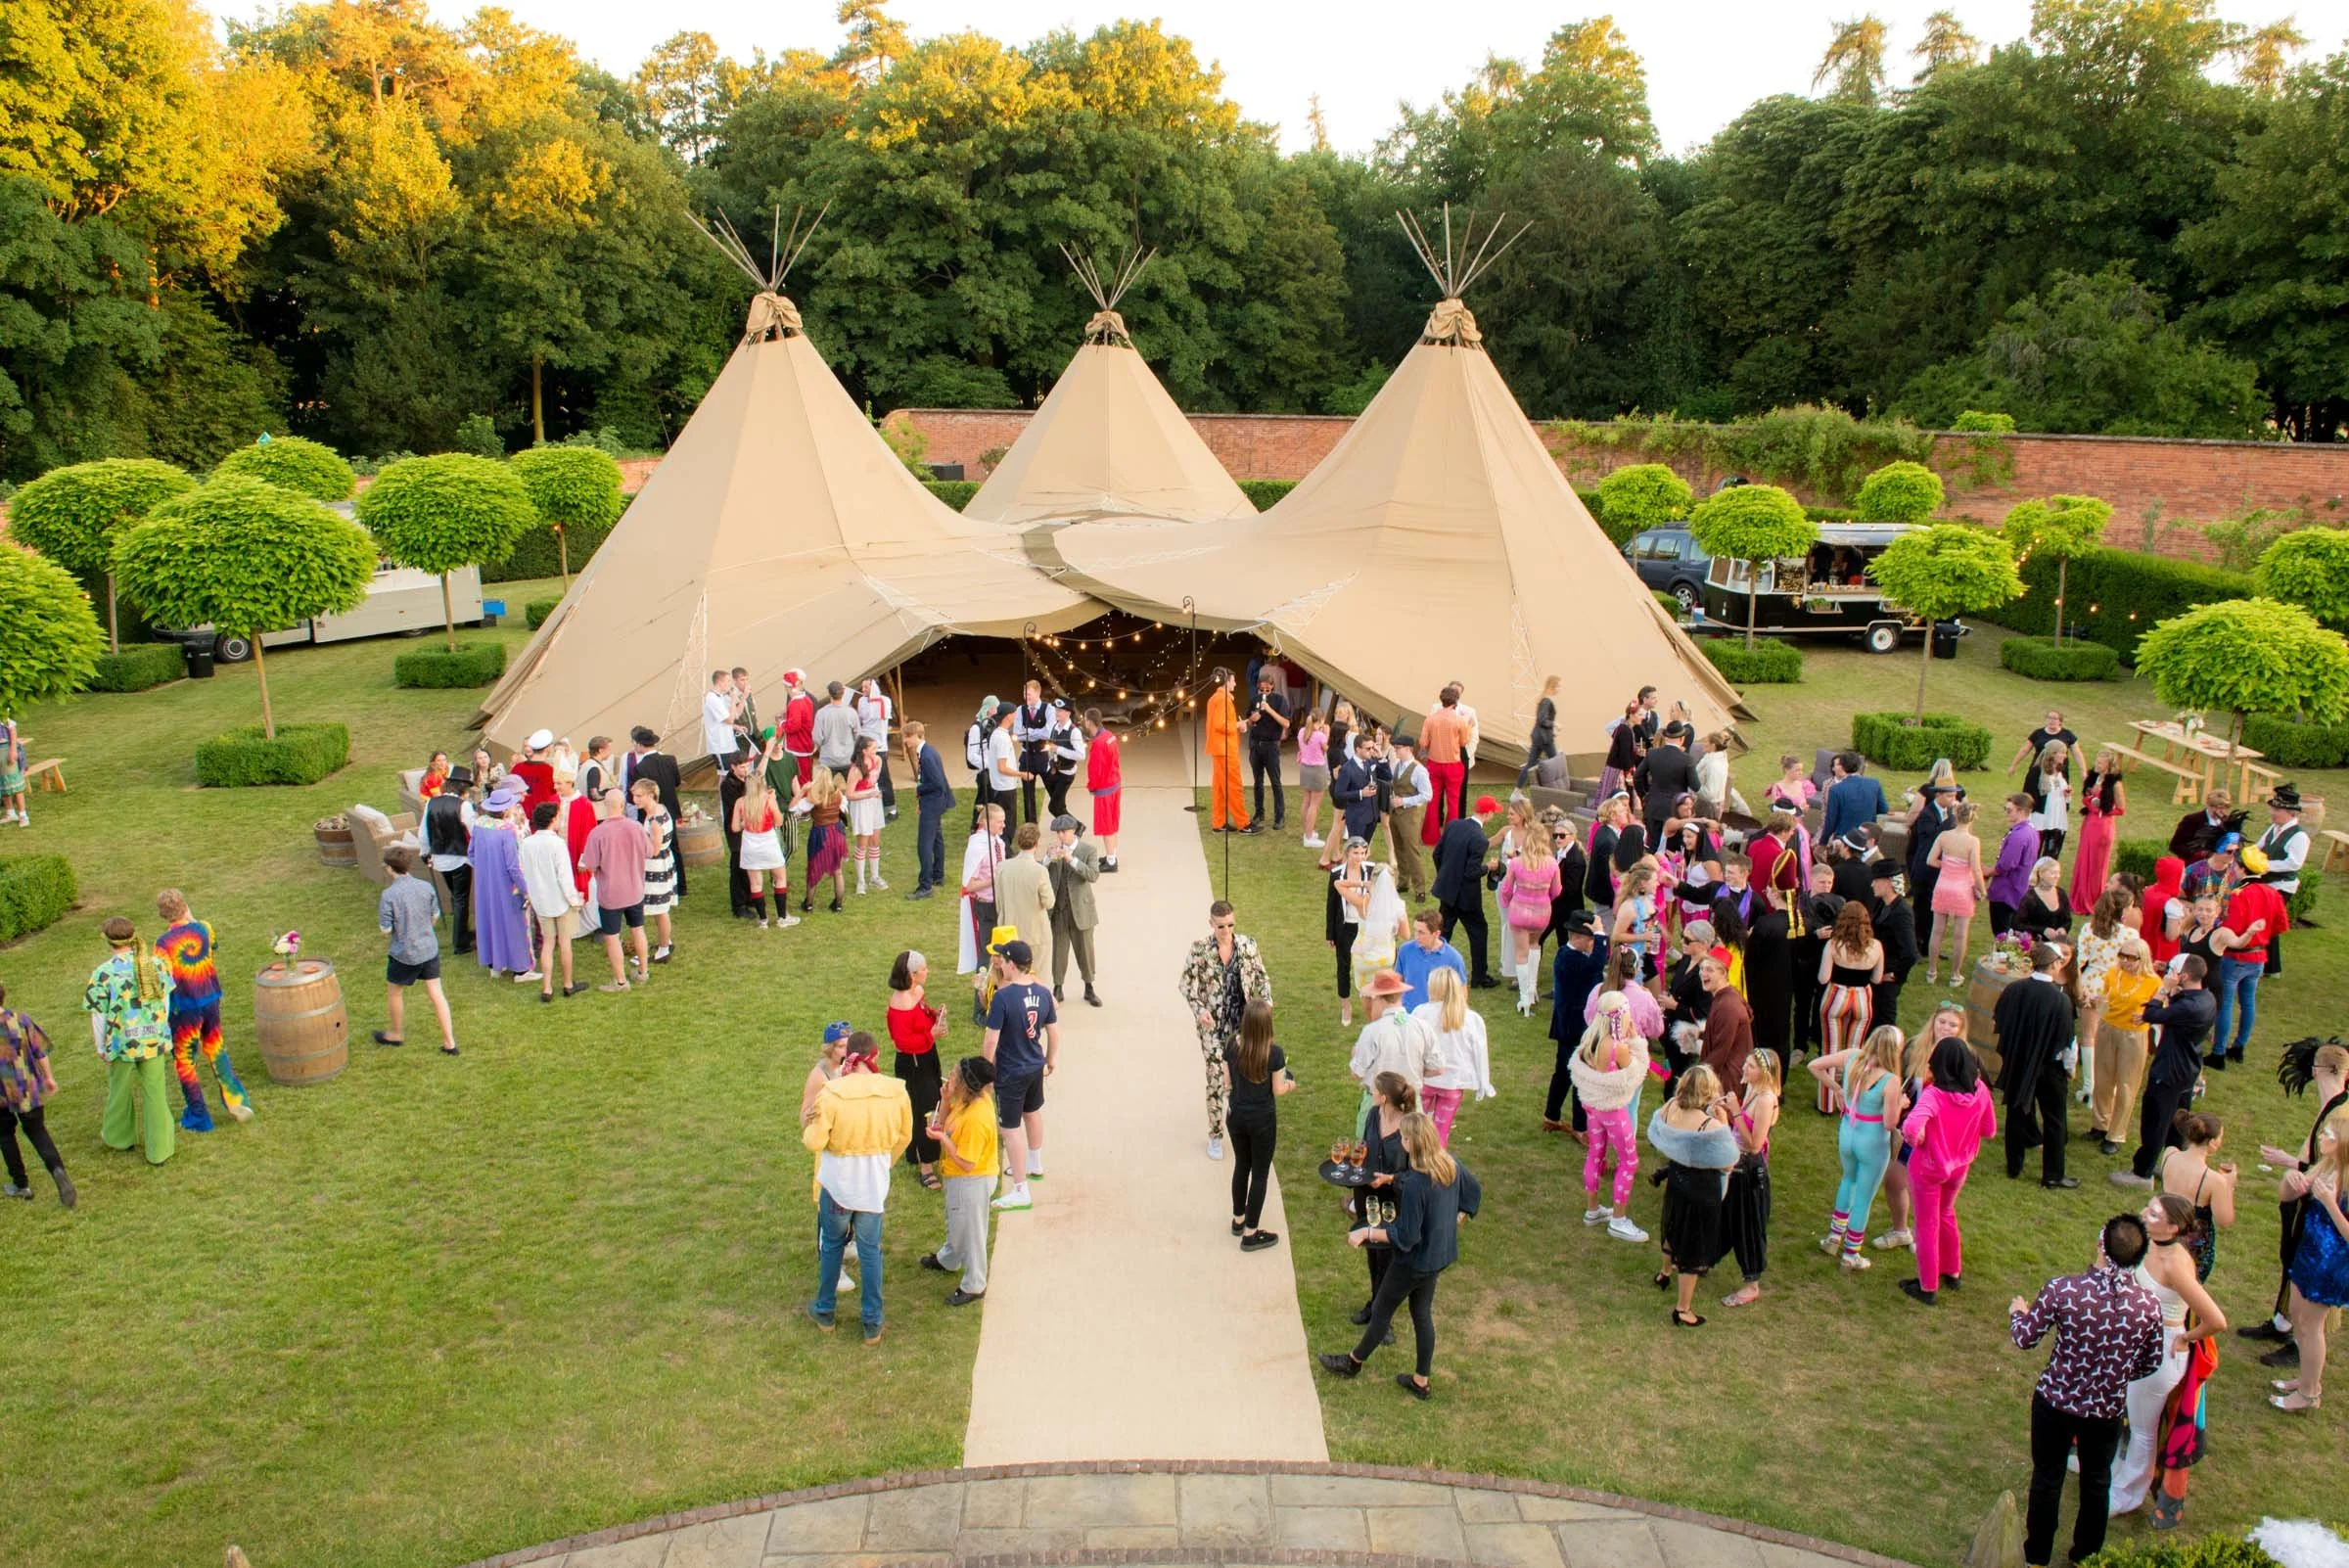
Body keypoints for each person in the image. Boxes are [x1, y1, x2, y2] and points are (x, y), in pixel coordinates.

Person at [2009, 1215, 2166, 1568]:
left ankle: (2036, 1557)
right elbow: (2150, 1361)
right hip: (2106, 1411)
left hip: (2055, 1403)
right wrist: (2115, 1376)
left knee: (2048, 1478)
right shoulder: (2148, 1306)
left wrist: (2018, 1313)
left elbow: (2024, 1338)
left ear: (2100, 1245)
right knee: (2097, 1482)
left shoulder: (2063, 1289)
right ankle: (2086, 1558)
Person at [1318, 1109, 1481, 1400]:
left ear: (1410, 1142)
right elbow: (1473, 1190)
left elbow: (1406, 1237)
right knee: (1421, 1314)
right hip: (1437, 1257)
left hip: (1413, 1261)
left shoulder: (1419, 1184)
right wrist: (1459, 1214)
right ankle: (1421, 1381)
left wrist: (1365, 1233)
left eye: (1403, 1137)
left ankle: (1352, 1363)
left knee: (1381, 1310)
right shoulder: (1448, 1163)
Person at [2109, 1196, 2228, 1515]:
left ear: (2174, 1227)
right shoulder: (2148, 1242)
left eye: (2154, 1212)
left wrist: (2185, 1338)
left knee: (2143, 1427)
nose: (2145, 1213)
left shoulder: (2175, 1263)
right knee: (2129, 1415)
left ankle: (2127, 1493)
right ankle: (2118, 1473)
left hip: (2160, 1351)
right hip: (2136, 1342)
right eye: (2148, 1206)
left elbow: (2216, 1320)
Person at [802, 1030, 914, 1345]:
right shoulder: (895, 1091)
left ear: (846, 1054)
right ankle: (872, 1323)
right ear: (876, 1055)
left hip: (837, 1184)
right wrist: (883, 1163)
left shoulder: (832, 1092)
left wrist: (812, 1123)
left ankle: (825, 1312)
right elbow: (904, 1136)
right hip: (872, 1186)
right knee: (870, 1252)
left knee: (832, 1247)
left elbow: (814, 1141)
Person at [2241, 1042, 2349, 1357]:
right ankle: (2282, 1322)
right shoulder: (2334, 1104)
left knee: (2310, 1275)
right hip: (2310, 1198)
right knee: (2291, 1260)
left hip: (2323, 1210)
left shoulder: (2341, 1113)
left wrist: (2295, 1166)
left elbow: (2337, 1164)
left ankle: (2302, 1342)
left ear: (2319, 1070)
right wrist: (2294, 1165)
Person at [1898, 1033, 1997, 1304]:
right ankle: (1952, 1272)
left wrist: (1919, 1140)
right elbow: (1989, 1130)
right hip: (1959, 1167)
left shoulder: (1934, 1095)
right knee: (1946, 1214)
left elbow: (1910, 1127)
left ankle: (1927, 1286)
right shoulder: (1980, 1091)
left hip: (1929, 1168)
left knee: (1926, 1224)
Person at [151, 890, 253, 1131]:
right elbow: (213, 945)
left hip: (184, 1008)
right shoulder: (204, 929)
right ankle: (237, 1101)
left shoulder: (162, 944)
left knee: (185, 1060)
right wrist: (191, 917)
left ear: (162, 914)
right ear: (185, 906)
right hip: (210, 1000)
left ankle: (199, 1116)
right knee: (216, 1049)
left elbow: (161, 980)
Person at [2272, 1105, 2349, 1412]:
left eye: (2329, 1134)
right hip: (2309, 1254)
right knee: (2297, 1316)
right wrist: (2291, 1181)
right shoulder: (2325, 1166)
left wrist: (2330, 1203)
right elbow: (2287, 1197)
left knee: (2311, 1325)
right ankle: (2308, 1380)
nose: (2323, 1137)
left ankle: (2308, 1395)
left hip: (2330, 1265)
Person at [1180, 900, 1271, 1162]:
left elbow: (1262, 978)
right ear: (1211, 924)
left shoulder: (1248, 946)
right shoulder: (1199, 950)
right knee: (1217, 1078)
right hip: (1213, 1028)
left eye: (1231, 925)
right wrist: (1200, 1011)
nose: (1226, 930)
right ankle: (1216, 1135)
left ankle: (1244, 1129)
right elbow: (1185, 985)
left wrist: (1266, 1003)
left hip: (1244, 1025)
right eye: (1221, 926)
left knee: (1245, 1077)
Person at [1649, 1064, 1739, 1328]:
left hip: (1677, 1179)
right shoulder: (1709, 1125)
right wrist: (1721, 1119)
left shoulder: (1669, 1108)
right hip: (1702, 1191)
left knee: (1673, 1228)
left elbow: (1656, 1134)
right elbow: (1728, 1162)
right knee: (1693, 1247)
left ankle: (1664, 1273)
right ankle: (1683, 1309)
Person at [1810, 1025, 1907, 1268]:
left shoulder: (1852, 1056)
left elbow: (1815, 1066)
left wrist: (1835, 1089)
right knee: (1864, 1196)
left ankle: (1833, 1237)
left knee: (1848, 1180)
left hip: (1848, 1133)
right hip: (1873, 1141)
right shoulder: (1890, 1080)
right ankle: (1851, 1254)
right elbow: (1890, 1122)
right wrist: (1901, 1104)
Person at [84, 918, 178, 1165]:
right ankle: (160, 1150)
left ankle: (119, 1138)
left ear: (107, 940)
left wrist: (99, 1046)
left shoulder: (103, 974)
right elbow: (165, 1001)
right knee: (156, 1093)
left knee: (119, 1091)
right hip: (153, 1040)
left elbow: (99, 1015)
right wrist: (160, 1029)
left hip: (120, 1043)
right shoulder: (155, 965)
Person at [2120, 956, 2217, 1185]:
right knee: (2178, 1122)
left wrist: (2163, 990)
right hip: (2188, 1068)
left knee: (2156, 1121)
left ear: (2183, 976)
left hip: (2168, 1070)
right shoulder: (2206, 998)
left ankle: (2141, 1172)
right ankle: (2171, 1163)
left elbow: (2152, 1012)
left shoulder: (2186, 1007)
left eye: (2173, 971)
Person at [982, 938, 1057, 1211]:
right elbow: (1053, 1030)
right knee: (1032, 1112)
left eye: (1003, 959)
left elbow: (991, 1040)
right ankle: (1035, 1163)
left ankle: (1020, 1189)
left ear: (1011, 965)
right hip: (1034, 1064)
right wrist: (1050, 1059)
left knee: (1009, 1128)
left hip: (1011, 1071)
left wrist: (985, 1071)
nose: (1000, 963)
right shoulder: (1042, 991)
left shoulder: (1003, 997)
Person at [1997, 944, 2079, 1187]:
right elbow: (2067, 1043)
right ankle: (2052, 1175)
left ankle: (2014, 1166)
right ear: (2053, 964)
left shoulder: (2013, 989)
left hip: (2019, 1062)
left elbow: (2001, 1024)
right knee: (2054, 1120)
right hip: (2049, 1068)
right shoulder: (2060, 1000)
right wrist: (2070, 1068)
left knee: (2015, 1112)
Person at [920, 1055, 998, 1307]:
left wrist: (943, 1139)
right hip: (960, 1179)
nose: (950, 1077)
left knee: (971, 1232)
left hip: (971, 1180)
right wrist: (944, 1099)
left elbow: (967, 1162)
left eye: (955, 1076)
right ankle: (949, 1259)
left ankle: (975, 1284)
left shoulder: (977, 1119)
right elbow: (945, 1119)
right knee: (957, 1222)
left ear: (967, 1085)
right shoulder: (971, 1101)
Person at [1571, 991, 1648, 1242]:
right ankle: (1618, 1219)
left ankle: (1592, 1210)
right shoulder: (1618, 1048)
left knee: (1596, 1152)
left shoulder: (1588, 1038)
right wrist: (1636, 1039)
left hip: (1592, 1107)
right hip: (1613, 1110)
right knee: (1629, 1160)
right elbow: (1638, 1070)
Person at [1225, 998, 1296, 1252]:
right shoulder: (1273, 1053)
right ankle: (1251, 1233)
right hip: (1262, 1120)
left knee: (1242, 1165)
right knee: (1260, 1173)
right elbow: (1277, 1089)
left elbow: (1227, 1083)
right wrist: (1290, 1084)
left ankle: (1238, 1219)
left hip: (1236, 1117)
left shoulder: (1232, 1045)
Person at [374, 849, 459, 1055]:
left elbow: (385, 930)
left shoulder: (389, 895)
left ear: (389, 868)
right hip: (429, 948)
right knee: (436, 993)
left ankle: (396, 1033)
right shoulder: (425, 887)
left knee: (395, 990)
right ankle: (450, 1042)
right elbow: (434, 916)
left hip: (404, 953)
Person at [2210, 846, 2285, 1068]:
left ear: (2241, 868)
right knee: (2248, 1003)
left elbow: (2233, 929)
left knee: (2225, 1004)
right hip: (2259, 958)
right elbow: (2281, 924)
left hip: (2236, 957)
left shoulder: (2240, 894)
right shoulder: (2273, 893)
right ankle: (2239, 1047)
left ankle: (2218, 1052)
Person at [0, 987, 72, 1207]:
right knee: (38, 1131)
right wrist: (49, 1078)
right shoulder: (20, 1020)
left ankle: (21, 1185)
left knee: (5, 1136)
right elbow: (40, 1052)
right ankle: (58, 1171)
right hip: (27, 1089)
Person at [1721, 1049, 1781, 1308]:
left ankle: (1751, 1284)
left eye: (1751, 1066)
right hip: (1735, 1166)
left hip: (1749, 1171)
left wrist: (1735, 1112)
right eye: (1745, 1062)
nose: (1744, 1068)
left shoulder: (1766, 1099)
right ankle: (1701, 1260)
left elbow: (1755, 1144)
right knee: (1724, 1218)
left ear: (1764, 1073)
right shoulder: (1752, 1091)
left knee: (1749, 1227)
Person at [2089, 938, 2160, 1158]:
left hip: (2133, 1035)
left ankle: (2116, 1134)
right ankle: (2099, 1124)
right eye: (2123, 956)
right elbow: (2108, 996)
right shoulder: (2113, 972)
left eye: (2131, 958)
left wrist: (2146, 1016)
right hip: (2108, 1027)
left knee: (2127, 1084)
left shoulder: (2153, 982)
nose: (2126, 961)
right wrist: (2098, 1000)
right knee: (2102, 1079)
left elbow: (2158, 1009)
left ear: (2143, 958)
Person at [576, 788, 652, 993]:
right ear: (622, 804)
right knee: (638, 930)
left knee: (612, 936)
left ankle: (620, 981)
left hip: (610, 894)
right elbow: (650, 851)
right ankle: (643, 972)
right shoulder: (636, 827)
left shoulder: (598, 833)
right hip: (635, 889)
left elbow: (590, 863)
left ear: (605, 806)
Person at [884, 950, 948, 1189]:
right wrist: (930, 1035)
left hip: (927, 1056)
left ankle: (914, 1152)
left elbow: (923, 1016)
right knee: (925, 1109)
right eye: (924, 969)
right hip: (913, 1063)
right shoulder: (900, 1004)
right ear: (912, 974)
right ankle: (926, 1166)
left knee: (927, 1103)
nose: (927, 971)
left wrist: (935, 1015)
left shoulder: (917, 993)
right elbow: (902, 1042)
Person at [1544, 909, 1609, 1132]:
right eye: (1591, 940)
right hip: (1575, 1027)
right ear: (1579, 937)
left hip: (1569, 1025)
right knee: (1579, 1076)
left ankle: (1552, 1116)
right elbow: (1597, 965)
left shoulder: (1567, 955)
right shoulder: (1571, 959)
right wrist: (1601, 935)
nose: (1593, 945)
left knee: (1562, 1073)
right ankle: (1580, 1127)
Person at [1412, 968, 1492, 1145]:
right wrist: (1483, 1084)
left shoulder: (1420, 1012)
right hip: (1453, 1084)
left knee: (1417, 1128)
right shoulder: (1471, 1018)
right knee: (1441, 1131)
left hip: (1425, 1080)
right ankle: (1436, 1167)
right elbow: (1480, 1052)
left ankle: (1413, 1164)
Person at [1816, 901, 1883, 1110]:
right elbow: (1877, 978)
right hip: (1862, 998)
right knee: (1855, 1052)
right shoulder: (1876, 946)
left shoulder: (1834, 945)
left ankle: (1826, 1103)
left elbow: (1823, 978)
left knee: (1831, 1050)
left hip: (1837, 995)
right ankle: (1851, 1102)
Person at [2155, 1112, 2235, 1283]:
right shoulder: (2214, 1180)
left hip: (2161, 1230)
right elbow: (2224, 1221)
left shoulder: (2169, 1154)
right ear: (2212, 1143)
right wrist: (2229, 1185)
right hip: (2192, 1247)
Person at [518, 801, 586, 1000]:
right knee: (565, 943)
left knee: (548, 943)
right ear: (553, 819)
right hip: (561, 901)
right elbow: (564, 877)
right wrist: (575, 900)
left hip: (540, 900)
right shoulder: (557, 843)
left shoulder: (526, 843)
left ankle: (547, 988)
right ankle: (567, 984)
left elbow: (525, 872)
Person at [1497, 816, 1561, 1017]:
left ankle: (1525, 997)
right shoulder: (1552, 863)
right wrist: (1544, 898)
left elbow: (1506, 889)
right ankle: (1532, 990)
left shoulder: (1517, 863)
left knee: (1521, 953)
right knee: (1535, 945)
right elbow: (1557, 890)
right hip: (1541, 911)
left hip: (1519, 910)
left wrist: (1509, 902)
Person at [468, 784, 533, 980]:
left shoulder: (479, 824)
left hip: (484, 884)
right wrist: (525, 889)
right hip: (506, 886)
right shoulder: (507, 830)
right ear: (505, 809)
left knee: (489, 920)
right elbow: (513, 866)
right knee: (514, 924)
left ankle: (494, 965)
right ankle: (521, 969)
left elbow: (471, 854)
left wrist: (485, 871)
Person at [1433, 795, 1498, 987]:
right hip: (1467, 898)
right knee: (1478, 931)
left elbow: (1437, 854)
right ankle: (1479, 976)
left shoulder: (1454, 825)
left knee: (1443, 932)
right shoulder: (1480, 838)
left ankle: (1435, 968)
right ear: (1488, 814)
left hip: (1447, 892)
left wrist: (1445, 876)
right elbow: (1471, 872)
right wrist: (1489, 867)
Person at [955, 803, 1007, 1015]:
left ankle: (999, 997)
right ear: (986, 823)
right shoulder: (978, 846)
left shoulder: (998, 842)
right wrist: (994, 879)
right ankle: (979, 1007)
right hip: (985, 906)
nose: (1004, 825)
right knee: (986, 957)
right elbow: (969, 885)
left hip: (1000, 903)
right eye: (999, 821)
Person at [2252, 783, 2308, 975]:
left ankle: (2270, 967)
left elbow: (2294, 863)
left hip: (2282, 886)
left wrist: (2265, 865)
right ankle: (2268, 965)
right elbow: (2260, 846)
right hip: (2266, 883)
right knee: (2263, 922)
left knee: (2267, 923)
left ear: (2290, 813)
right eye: (2273, 809)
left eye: (2277, 810)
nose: (2273, 813)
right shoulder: (2273, 828)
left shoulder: (2299, 836)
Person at [1045, 813, 1101, 1006]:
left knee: (1085, 951)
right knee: (1059, 952)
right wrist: (1047, 859)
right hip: (1060, 911)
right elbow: (1044, 875)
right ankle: (1058, 987)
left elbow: (1093, 875)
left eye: (1064, 832)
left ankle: (1089, 986)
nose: (1060, 836)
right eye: (1058, 832)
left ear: (1074, 831)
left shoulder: (1088, 850)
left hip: (1082, 911)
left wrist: (1071, 859)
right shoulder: (1054, 851)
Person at [992, 820, 1056, 983]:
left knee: (1011, 979)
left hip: (1009, 932)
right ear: (1036, 843)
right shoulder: (1039, 871)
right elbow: (1049, 902)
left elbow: (999, 902)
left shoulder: (1003, 867)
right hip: (1036, 934)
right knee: (1038, 978)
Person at [731, 763, 791, 930]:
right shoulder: (768, 800)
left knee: (756, 883)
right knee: (780, 878)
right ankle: (781, 918)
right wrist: (774, 805)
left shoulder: (741, 802)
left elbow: (735, 828)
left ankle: (763, 920)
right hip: (768, 841)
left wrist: (745, 822)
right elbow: (779, 821)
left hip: (750, 843)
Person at [424, 767, 476, 955]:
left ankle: (462, 933)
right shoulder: (463, 806)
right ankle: (460, 943)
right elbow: (473, 831)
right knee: (461, 898)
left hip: (440, 858)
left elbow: (424, 832)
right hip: (460, 858)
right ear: (462, 788)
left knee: (456, 896)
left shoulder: (431, 803)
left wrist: (425, 853)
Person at [2071, 751, 2128, 909]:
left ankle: (2093, 899)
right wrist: (2090, 801)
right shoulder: (2094, 777)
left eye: (2101, 763)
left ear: (2109, 766)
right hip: (2089, 823)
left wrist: (2103, 809)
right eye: (2097, 761)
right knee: (2084, 858)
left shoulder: (2115, 784)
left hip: (2103, 826)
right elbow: (2087, 795)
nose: (2097, 764)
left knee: (2096, 863)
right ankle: (2080, 895)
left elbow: (2121, 809)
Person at [632, 777, 677, 964]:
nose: (635, 800)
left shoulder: (654, 821)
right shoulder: (661, 809)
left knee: (659, 909)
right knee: (659, 908)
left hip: (656, 866)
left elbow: (654, 849)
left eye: (639, 796)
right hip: (664, 861)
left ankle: (664, 948)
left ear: (651, 795)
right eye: (634, 795)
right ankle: (664, 941)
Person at [1419, 685, 1470, 845]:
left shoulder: (1430, 719)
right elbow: (1464, 742)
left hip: (1434, 763)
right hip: (1453, 764)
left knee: (1432, 801)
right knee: (1453, 802)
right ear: (1456, 701)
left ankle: (1430, 837)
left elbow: (1423, 742)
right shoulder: (1459, 720)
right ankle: (1452, 837)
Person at [1867, 862, 1917, 1024]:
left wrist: (1896, 975)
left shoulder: (1901, 912)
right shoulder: (1882, 904)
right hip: (1876, 972)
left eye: (1876, 880)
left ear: (1889, 882)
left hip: (1887, 978)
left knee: (1884, 1021)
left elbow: (1910, 953)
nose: (1872, 884)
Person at [1203, 667, 1252, 834]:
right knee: (1233, 786)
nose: (1236, 684)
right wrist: (1238, 725)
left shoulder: (1215, 698)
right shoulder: (1223, 699)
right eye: (1233, 680)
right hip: (1225, 750)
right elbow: (1220, 725)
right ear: (1227, 681)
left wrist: (1236, 726)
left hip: (1219, 748)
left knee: (1219, 788)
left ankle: (1219, 822)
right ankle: (1243, 823)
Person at [1986, 793, 2041, 940]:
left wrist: (1988, 871)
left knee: (2002, 935)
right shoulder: (2031, 831)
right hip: (2020, 888)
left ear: (2021, 812)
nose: (2006, 813)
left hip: (2006, 891)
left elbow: (2006, 864)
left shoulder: (2019, 835)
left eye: (2010, 810)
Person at [1697, 953, 1753, 1093]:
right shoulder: (1725, 997)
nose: (1703, 974)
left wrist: (1698, 1078)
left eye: (1710, 970)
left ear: (1724, 974)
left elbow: (1721, 1050)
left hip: (1726, 1082)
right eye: (1702, 968)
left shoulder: (1727, 1006)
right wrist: (1699, 1035)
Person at [1635, 724, 1697, 846]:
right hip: (1675, 811)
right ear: (1682, 739)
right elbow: (1695, 785)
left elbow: (1637, 776)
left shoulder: (1653, 754)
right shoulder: (1687, 759)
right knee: (1671, 849)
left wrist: (1644, 794)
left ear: (1667, 737)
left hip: (1653, 807)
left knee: (1652, 846)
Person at [1397, 907, 1467, 1013]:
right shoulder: (1405, 950)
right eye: (1415, 930)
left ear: (1436, 934)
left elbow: (1461, 993)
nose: (1416, 936)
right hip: (1408, 1016)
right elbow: (1397, 981)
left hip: (1437, 1018)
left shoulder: (1453, 958)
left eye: (1421, 932)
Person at [1246, 670, 1290, 829]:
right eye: (1262, 689)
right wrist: (1252, 719)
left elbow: (1286, 723)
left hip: (1271, 746)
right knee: (1258, 781)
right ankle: (1259, 813)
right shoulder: (1254, 700)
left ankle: (1279, 816)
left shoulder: (1279, 701)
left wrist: (1269, 710)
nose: (1264, 692)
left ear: (1272, 687)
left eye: (1267, 689)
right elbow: (1247, 721)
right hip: (1256, 745)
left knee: (1275, 782)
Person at [801, 767, 849, 915]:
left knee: (814, 870)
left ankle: (808, 904)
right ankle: (838, 905)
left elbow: (798, 809)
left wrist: (803, 791)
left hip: (820, 833)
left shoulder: (813, 796)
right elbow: (844, 809)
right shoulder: (837, 792)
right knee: (838, 871)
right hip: (837, 832)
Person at [1080, 708, 1122, 871]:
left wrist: (1092, 786)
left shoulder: (1098, 743)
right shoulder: (1110, 736)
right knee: (1112, 823)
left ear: (1089, 722)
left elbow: (1095, 769)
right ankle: (1112, 855)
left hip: (1104, 789)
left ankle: (1111, 862)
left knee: (1107, 827)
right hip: (1114, 785)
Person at [846, 737, 888, 895]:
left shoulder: (877, 760)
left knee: (875, 840)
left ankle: (875, 876)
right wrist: (869, 794)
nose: (876, 750)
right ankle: (861, 881)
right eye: (873, 748)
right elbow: (849, 794)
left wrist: (875, 793)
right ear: (864, 750)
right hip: (862, 805)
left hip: (874, 803)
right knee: (862, 843)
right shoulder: (856, 770)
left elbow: (874, 781)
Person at [1820, 752, 1888, 843]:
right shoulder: (1874, 783)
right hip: (1867, 838)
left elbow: (1831, 821)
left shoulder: (1835, 789)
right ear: (1859, 766)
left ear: (1843, 767)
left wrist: (1823, 843)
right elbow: (1884, 809)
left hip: (1844, 840)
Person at [854, 678, 896, 816]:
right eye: (862, 687)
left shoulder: (885, 701)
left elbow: (882, 716)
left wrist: (874, 699)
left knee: (883, 777)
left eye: (866, 687)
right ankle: (868, 803)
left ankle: (892, 809)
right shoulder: (861, 701)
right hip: (864, 744)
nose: (863, 690)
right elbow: (861, 720)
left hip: (879, 746)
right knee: (864, 775)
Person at [2166, 787, 2236, 866]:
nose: (2217, 811)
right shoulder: (2192, 820)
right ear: (2207, 805)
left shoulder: (2228, 823)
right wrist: (2198, 854)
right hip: (2194, 868)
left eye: (2221, 808)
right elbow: (2175, 846)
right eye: (2214, 807)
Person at [2007, 709, 2080, 784]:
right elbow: (2024, 750)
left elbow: (2077, 753)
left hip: (2058, 770)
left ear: (2060, 721)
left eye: (2055, 718)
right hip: (2038, 769)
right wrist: (2013, 765)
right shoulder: (2038, 733)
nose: (2051, 720)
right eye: (2049, 718)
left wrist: (2083, 771)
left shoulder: (2067, 734)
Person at [2013, 856, 2074, 945]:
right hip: (2036, 945)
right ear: (2041, 874)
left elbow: (2067, 920)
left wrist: (2063, 929)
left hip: (2058, 945)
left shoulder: (2061, 893)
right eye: (2053, 873)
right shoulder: (2030, 897)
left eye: (2058, 873)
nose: (2057, 876)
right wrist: (2043, 930)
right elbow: (2017, 925)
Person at [1516, 674, 1561, 788]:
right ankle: (1556, 789)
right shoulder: (1546, 701)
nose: (1560, 689)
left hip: (1539, 736)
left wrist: (1552, 730)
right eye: (1559, 686)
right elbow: (1542, 720)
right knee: (1555, 763)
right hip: (1544, 739)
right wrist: (1555, 724)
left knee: (1531, 764)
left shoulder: (1544, 699)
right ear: (1553, 686)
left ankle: (1517, 791)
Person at [2031, 743, 2073, 862]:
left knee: (2051, 856)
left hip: (2057, 819)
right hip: (2040, 819)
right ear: (2053, 754)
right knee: (2033, 854)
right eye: (2062, 753)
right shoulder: (2036, 772)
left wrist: (2067, 795)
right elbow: (2029, 796)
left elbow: (2064, 797)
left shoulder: (2061, 772)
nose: (2065, 756)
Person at [965, 696, 1002, 827]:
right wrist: (989, 763)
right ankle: (976, 827)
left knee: (992, 801)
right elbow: (972, 755)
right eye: (996, 708)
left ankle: (989, 825)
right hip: (984, 773)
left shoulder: (991, 725)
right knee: (982, 801)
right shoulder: (976, 728)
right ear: (989, 709)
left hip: (992, 771)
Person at [509, 728, 560, 819]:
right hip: (542, 821)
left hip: (519, 818)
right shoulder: (549, 771)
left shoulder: (517, 768)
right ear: (548, 748)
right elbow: (555, 796)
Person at [813, 680, 859, 780]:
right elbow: (858, 736)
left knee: (824, 793)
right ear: (843, 693)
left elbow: (817, 738)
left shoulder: (821, 713)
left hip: (828, 759)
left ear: (829, 694)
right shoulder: (851, 712)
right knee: (854, 791)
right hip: (848, 758)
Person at [778, 669, 816, 785]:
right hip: (806, 742)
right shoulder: (807, 699)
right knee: (806, 775)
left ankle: (803, 800)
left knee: (801, 777)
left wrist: (781, 723)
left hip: (798, 745)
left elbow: (794, 726)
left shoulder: (795, 703)